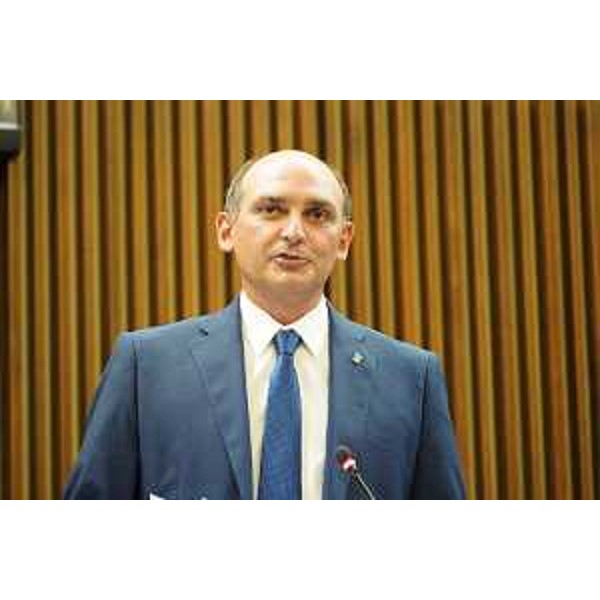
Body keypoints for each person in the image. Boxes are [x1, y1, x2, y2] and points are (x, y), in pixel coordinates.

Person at [64, 149, 465, 499]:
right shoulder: (147, 367)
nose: (294, 232)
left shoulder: (410, 377)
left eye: (317, 214)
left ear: (344, 240)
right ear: (226, 231)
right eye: (271, 209)